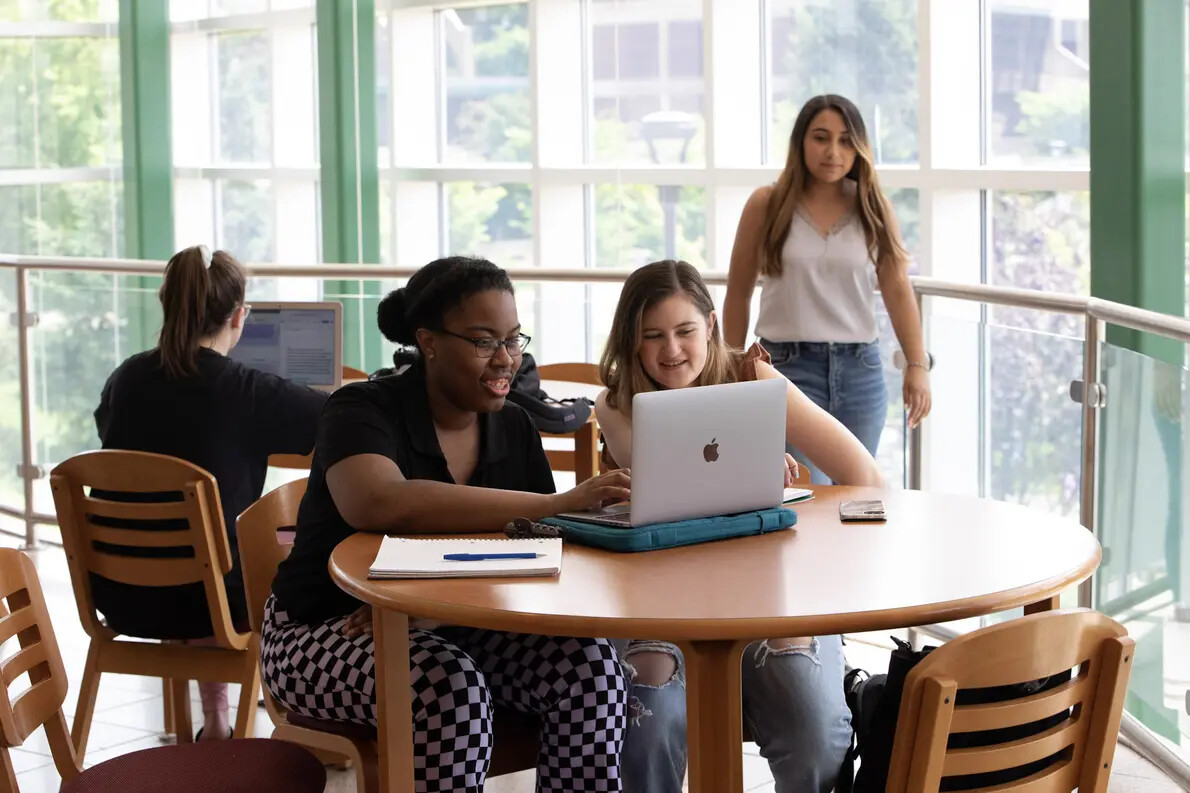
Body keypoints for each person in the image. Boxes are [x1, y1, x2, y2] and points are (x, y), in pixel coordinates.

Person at [263, 256, 633, 793]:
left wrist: (429, 610)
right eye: (484, 342)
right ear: (429, 342)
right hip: (320, 632)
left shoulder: (514, 428)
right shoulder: (360, 409)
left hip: (452, 624)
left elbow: (537, 555)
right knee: (447, 687)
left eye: (514, 340)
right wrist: (554, 504)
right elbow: (379, 503)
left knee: (592, 670)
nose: (506, 360)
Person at [594, 259, 882, 793]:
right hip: (662, 605)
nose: (671, 350)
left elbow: (863, 474)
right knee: (646, 728)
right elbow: (665, 479)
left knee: (815, 731)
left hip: (769, 597)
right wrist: (752, 465)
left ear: (710, 324)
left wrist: (805, 509)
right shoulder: (615, 403)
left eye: (685, 331)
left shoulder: (755, 376)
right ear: (630, 342)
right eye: (651, 336)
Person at [94, 244, 328, 741]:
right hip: (217, 602)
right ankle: (313, 726)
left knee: (206, 547)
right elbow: (330, 421)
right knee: (300, 554)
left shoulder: (125, 380)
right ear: (239, 317)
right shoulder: (247, 390)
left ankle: (217, 722)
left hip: (120, 595)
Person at [723, 93, 931, 483]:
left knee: (859, 496)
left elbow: (898, 291)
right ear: (801, 141)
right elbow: (738, 294)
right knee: (803, 493)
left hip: (861, 370)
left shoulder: (873, 208)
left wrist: (917, 366)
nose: (833, 151)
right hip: (785, 368)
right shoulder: (765, 204)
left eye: (845, 140)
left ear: (859, 149)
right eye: (821, 137)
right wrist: (729, 370)